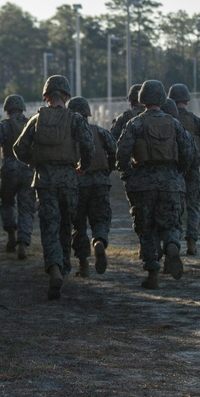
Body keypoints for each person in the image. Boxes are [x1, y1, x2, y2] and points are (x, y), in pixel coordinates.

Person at [14, 75, 94, 301]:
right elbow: (88, 145)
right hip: (69, 180)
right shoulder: (75, 119)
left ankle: (55, 269)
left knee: (50, 227)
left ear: (46, 96)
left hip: (44, 181)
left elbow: (18, 148)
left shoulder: (36, 120)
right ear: (67, 96)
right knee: (65, 226)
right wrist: (82, 166)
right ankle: (65, 268)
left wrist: (34, 161)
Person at [116, 80, 194, 290]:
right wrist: (179, 172)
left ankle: (153, 274)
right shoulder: (174, 123)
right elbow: (188, 151)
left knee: (147, 229)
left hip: (143, 183)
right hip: (171, 182)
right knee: (170, 223)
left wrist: (128, 174)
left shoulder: (135, 124)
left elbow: (122, 152)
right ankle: (171, 245)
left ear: (142, 99)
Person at [66, 96, 117, 276]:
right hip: (100, 182)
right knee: (100, 219)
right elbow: (114, 151)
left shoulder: (67, 134)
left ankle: (83, 264)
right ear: (87, 113)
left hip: (76, 184)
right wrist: (106, 171)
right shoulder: (100, 132)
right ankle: (99, 242)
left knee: (78, 225)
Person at [0, 94, 37, 259]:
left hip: (9, 171)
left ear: (6, 110)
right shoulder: (32, 125)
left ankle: (11, 235)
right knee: (26, 208)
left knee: (6, 202)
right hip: (29, 171)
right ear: (23, 108)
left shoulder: (1, 127)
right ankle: (23, 243)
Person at [168, 83, 200, 255]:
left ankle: (173, 242)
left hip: (173, 169)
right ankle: (191, 241)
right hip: (193, 168)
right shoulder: (197, 122)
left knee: (173, 207)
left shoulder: (168, 120)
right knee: (193, 206)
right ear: (186, 100)